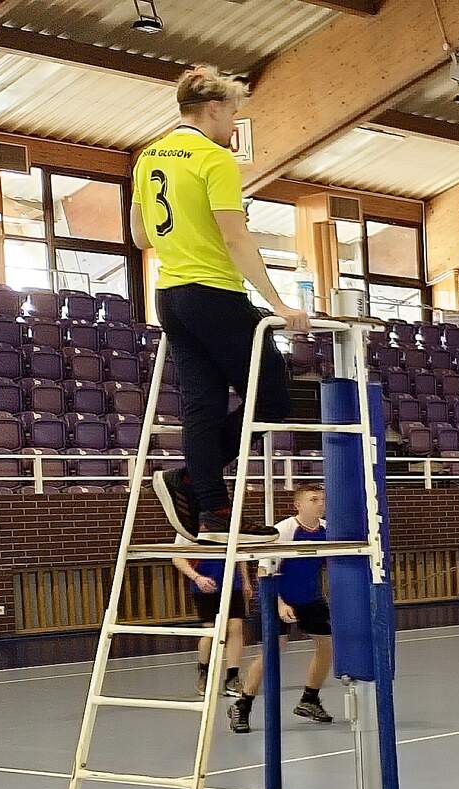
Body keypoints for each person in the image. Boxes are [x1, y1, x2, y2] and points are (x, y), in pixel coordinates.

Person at [132, 65, 309, 546]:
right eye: (232, 114)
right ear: (213, 108)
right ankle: (192, 479)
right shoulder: (214, 159)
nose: (233, 126)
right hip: (215, 292)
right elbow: (235, 238)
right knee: (273, 399)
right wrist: (279, 304)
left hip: (170, 295)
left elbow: (141, 235)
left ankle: (211, 510)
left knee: (203, 406)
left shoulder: (148, 157)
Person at [229, 485, 334, 734]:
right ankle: (242, 705)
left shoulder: (327, 529)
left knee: (327, 645)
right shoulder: (284, 530)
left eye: (322, 499)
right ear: (298, 505)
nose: (320, 504)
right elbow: (264, 570)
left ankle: (309, 699)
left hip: (309, 598)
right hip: (276, 596)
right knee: (272, 651)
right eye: (314, 499)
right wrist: (279, 603)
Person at [172, 538, 251, 696]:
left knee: (236, 627)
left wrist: (245, 581)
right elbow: (177, 557)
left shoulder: (232, 525)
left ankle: (232, 678)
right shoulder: (190, 528)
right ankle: (204, 673)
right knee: (211, 631)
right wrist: (197, 577)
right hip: (205, 586)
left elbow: (239, 552)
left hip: (231, 584)